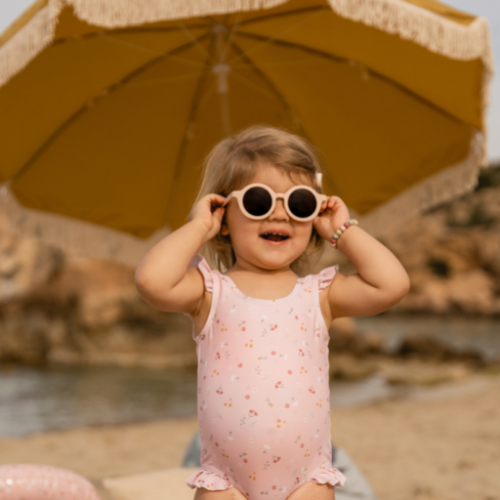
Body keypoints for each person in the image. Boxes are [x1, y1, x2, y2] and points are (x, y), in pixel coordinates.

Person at [135, 126, 410, 500]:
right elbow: (152, 281)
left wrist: (342, 230)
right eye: (258, 201)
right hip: (226, 484)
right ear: (224, 217)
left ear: (314, 217)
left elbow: (391, 285)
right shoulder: (210, 292)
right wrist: (198, 226)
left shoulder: (319, 295)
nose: (279, 215)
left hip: (307, 482)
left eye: (298, 204)